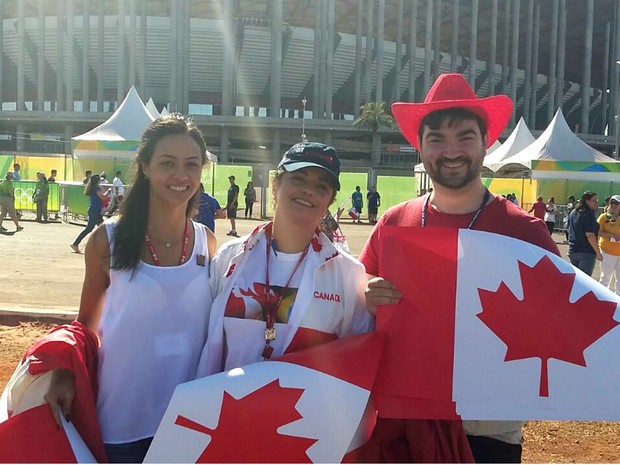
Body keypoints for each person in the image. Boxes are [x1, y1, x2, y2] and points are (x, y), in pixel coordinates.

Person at [360, 73, 560, 463]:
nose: (451, 151)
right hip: (406, 417)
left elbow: (559, 318)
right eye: (437, 139)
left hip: (485, 426)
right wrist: (367, 294)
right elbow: (361, 287)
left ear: (486, 143)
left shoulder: (524, 231)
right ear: (420, 146)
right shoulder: (394, 222)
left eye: (465, 136)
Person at [44, 113, 217, 463]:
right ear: (146, 166)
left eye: (191, 164)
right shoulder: (107, 241)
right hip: (121, 427)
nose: (181, 175)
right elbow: (85, 326)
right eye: (167, 163)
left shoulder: (208, 245)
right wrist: (64, 373)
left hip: (190, 426)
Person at [197, 141, 372, 378]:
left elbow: (356, 367)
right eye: (298, 179)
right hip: (226, 411)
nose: (308, 190)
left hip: (305, 414)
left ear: (329, 202)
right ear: (275, 185)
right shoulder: (229, 258)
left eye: (321, 186)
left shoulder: (349, 275)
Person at [70, 174, 109, 253]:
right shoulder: (96, 188)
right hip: (94, 210)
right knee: (89, 228)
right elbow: (103, 197)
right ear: (97, 180)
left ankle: (105, 247)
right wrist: (109, 191)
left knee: (104, 228)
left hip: (95, 210)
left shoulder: (93, 187)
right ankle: (75, 243)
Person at [566, 191, 602, 276]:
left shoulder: (573, 212)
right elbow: (590, 235)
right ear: (587, 201)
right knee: (584, 280)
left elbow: (569, 228)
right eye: (594, 200)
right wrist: (598, 252)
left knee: (575, 279)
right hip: (586, 251)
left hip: (573, 249)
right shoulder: (588, 214)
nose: (596, 203)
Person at [597, 194, 620, 294]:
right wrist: (611, 235)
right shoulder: (603, 217)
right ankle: (602, 299)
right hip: (607, 252)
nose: (614, 205)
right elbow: (597, 231)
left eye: (617, 203)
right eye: (612, 203)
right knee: (605, 278)